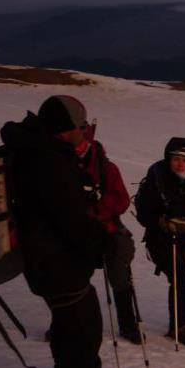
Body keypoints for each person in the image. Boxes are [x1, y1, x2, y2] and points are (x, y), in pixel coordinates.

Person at [0, 95, 121, 368]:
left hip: (42, 255)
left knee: (70, 317)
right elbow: (70, 218)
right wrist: (102, 244)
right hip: (53, 257)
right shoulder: (48, 161)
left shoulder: (36, 150)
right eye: (82, 125)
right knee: (83, 321)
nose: (85, 131)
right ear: (64, 129)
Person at [134, 137, 185, 346]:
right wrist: (163, 223)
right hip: (160, 239)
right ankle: (183, 324)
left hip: (184, 239)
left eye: (184, 160)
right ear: (168, 158)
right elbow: (144, 212)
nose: (179, 163)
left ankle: (184, 323)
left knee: (181, 276)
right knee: (178, 275)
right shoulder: (156, 178)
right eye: (175, 158)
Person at [77, 123, 141, 344]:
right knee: (73, 279)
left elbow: (122, 201)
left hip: (107, 229)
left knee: (119, 276)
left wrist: (98, 203)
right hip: (77, 230)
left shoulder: (107, 168)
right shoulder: (61, 166)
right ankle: (70, 324)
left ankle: (128, 325)